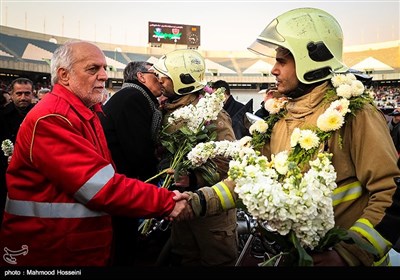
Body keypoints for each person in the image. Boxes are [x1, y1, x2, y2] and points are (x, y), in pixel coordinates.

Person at [185, 7, 400, 266]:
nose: (273, 70)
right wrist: (197, 201)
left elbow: (391, 194)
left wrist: (347, 254)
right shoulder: (279, 117)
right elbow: (248, 178)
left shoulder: (355, 114)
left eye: (282, 61)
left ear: (313, 59)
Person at [0, 40, 192, 266]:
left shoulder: (84, 112)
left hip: (69, 243)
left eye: (104, 68)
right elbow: (100, 186)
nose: (103, 76)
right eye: (93, 69)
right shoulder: (52, 118)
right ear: (64, 75)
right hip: (49, 248)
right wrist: (166, 201)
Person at [153, 49, 239, 266]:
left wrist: (193, 180)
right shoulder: (168, 111)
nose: (159, 81)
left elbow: (228, 162)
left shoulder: (212, 116)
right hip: (182, 208)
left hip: (211, 215)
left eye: (165, 77)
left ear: (183, 81)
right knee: (186, 258)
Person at [98, 61, 166, 266]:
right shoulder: (133, 98)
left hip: (119, 180)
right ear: (141, 77)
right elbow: (138, 150)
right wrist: (158, 182)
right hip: (121, 184)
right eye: (155, 74)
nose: (161, 80)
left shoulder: (133, 96)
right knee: (124, 243)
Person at [0, 78, 35, 225]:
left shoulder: (40, 114)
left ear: (32, 94)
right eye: (19, 93)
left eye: (27, 94)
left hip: (31, 173)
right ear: (11, 94)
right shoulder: (1, 115)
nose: (23, 98)